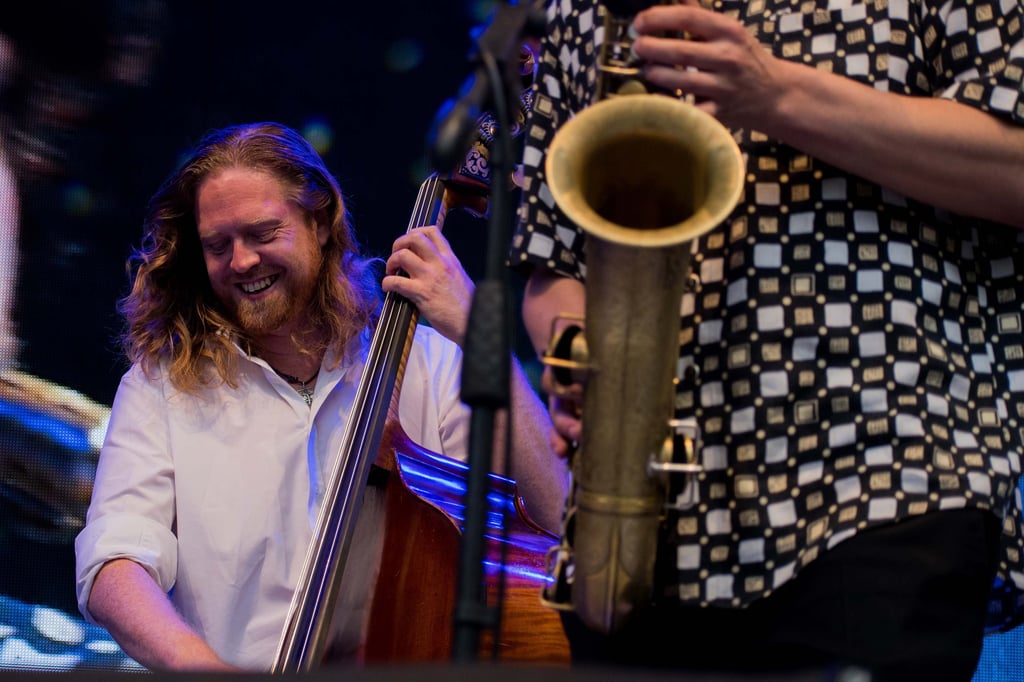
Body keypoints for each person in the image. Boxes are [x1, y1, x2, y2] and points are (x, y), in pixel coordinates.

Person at [511, 0, 1024, 680]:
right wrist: (576, 350)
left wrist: (775, 93)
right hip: (634, 532)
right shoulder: (582, 8)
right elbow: (553, 259)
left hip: (878, 480)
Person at [73, 121, 569, 671]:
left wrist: (482, 338)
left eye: (263, 233)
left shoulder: (434, 366)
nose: (241, 261)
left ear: (321, 223)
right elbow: (115, 564)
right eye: (217, 245)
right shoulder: (161, 386)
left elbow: (556, 523)